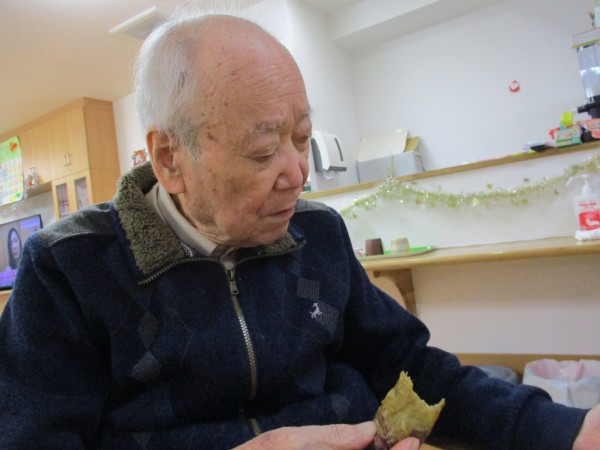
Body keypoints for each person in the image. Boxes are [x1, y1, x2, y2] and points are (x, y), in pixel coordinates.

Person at [0, 12, 598, 450]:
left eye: (302, 137)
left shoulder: (319, 232)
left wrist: (563, 430)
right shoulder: (67, 267)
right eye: (264, 152)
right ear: (170, 159)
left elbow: (406, 366)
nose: (298, 173)